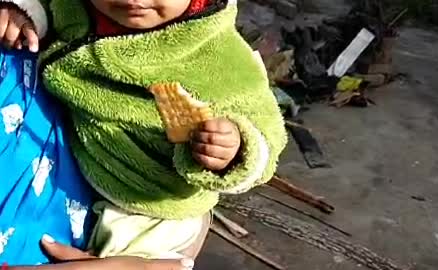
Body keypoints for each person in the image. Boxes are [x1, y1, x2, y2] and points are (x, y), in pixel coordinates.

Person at [0, 0, 287, 267]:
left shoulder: (218, 56)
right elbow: (47, 6)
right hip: (94, 172)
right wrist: (24, 11)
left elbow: (266, 129)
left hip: (153, 206)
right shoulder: (78, 8)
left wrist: (235, 149)